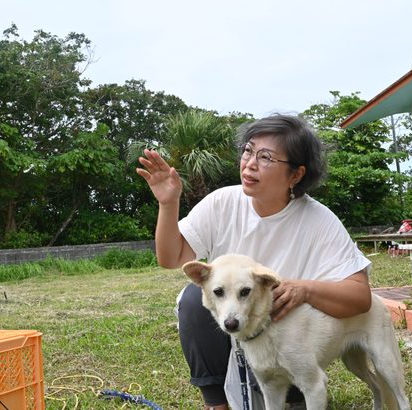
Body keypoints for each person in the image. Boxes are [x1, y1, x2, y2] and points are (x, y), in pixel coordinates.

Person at [136, 114, 372, 410]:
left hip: (289, 348)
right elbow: (171, 257)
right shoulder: (222, 203)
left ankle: (292, 394)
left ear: (296, 175)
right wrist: (168, 204)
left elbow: (360, 296)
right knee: (194, 300)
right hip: (236, 337)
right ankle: (217, 403)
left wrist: (306, 289)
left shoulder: (319, 220)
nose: (249, 162)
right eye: (248, 151)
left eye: (266, 157)